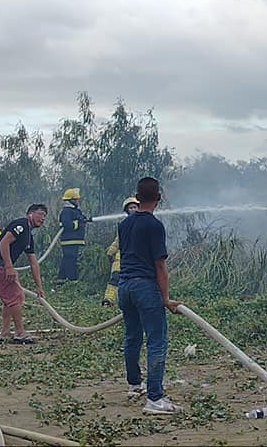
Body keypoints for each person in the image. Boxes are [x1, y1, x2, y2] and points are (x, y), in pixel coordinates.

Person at [118, 177, 183, 415]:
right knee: (157, 341)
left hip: (124, 287)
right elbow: (160, 267)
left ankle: (135, 384)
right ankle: (155, 398)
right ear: (158, 198)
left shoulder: (125, 224)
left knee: (132, 337)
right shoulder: (154, 226)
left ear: (137, 197)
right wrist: (165, 299)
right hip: (145, 288)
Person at [0, 204, 48, 344]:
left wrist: (39, 286)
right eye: (40, 214)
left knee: (9, 299)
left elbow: (33, 262)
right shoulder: (21, 225)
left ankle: (5, 332)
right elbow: (4, 243)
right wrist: (9, 266)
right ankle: (20, 332)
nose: (43, 219)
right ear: (30, 213)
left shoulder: (28, 237)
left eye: (45, 216)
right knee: (16, 296)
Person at [102, 196, 140, 306]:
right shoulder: (124, 224)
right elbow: (118, 240)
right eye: (131, 208)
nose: (133, 209)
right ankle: (108, 300)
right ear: (127, 210)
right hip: (120, 258)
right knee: (115, 279)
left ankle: (130, 301)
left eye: (135, 207)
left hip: (136, 259)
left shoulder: (143, 223)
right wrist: (110, 252)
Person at [58, 188, 89, 281]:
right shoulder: (66, 211)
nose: (77, 201)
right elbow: (67, 225)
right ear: (70, 200)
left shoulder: (75, 210)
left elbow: (80, 218)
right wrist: (78, 224)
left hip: (74, 240)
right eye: (76, 199)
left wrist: (84, 219)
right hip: (69, 241)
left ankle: (61, 279)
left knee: (68, 259)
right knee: (71, 260)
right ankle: (72, 280)